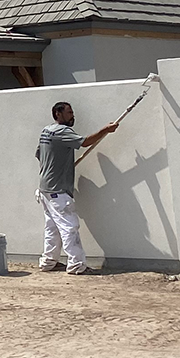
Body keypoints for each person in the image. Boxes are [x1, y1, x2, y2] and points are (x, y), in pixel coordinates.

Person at [36, 101, 118, 275]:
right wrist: (106, 130)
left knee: (52, 227)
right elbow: (85, 142)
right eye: (69, 112)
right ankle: (76, 265)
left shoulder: (47, 131)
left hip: (45, 189)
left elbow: (39, 155)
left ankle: (48, 262)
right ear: (58, 114)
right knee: (69, 226)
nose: (73, 115)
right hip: (57, 191)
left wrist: (57, 164)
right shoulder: (62, 131)